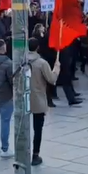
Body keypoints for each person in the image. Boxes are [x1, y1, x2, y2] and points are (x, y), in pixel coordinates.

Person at [27, 37, 60, 166]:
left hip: (24, 98)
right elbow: (51, 79)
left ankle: (24, 151)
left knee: (22, 128)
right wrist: (56, 69)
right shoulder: (41, 63)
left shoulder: (21, 61)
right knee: (38, 128)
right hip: (37, 98)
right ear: (37, 47)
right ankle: (35, 154)